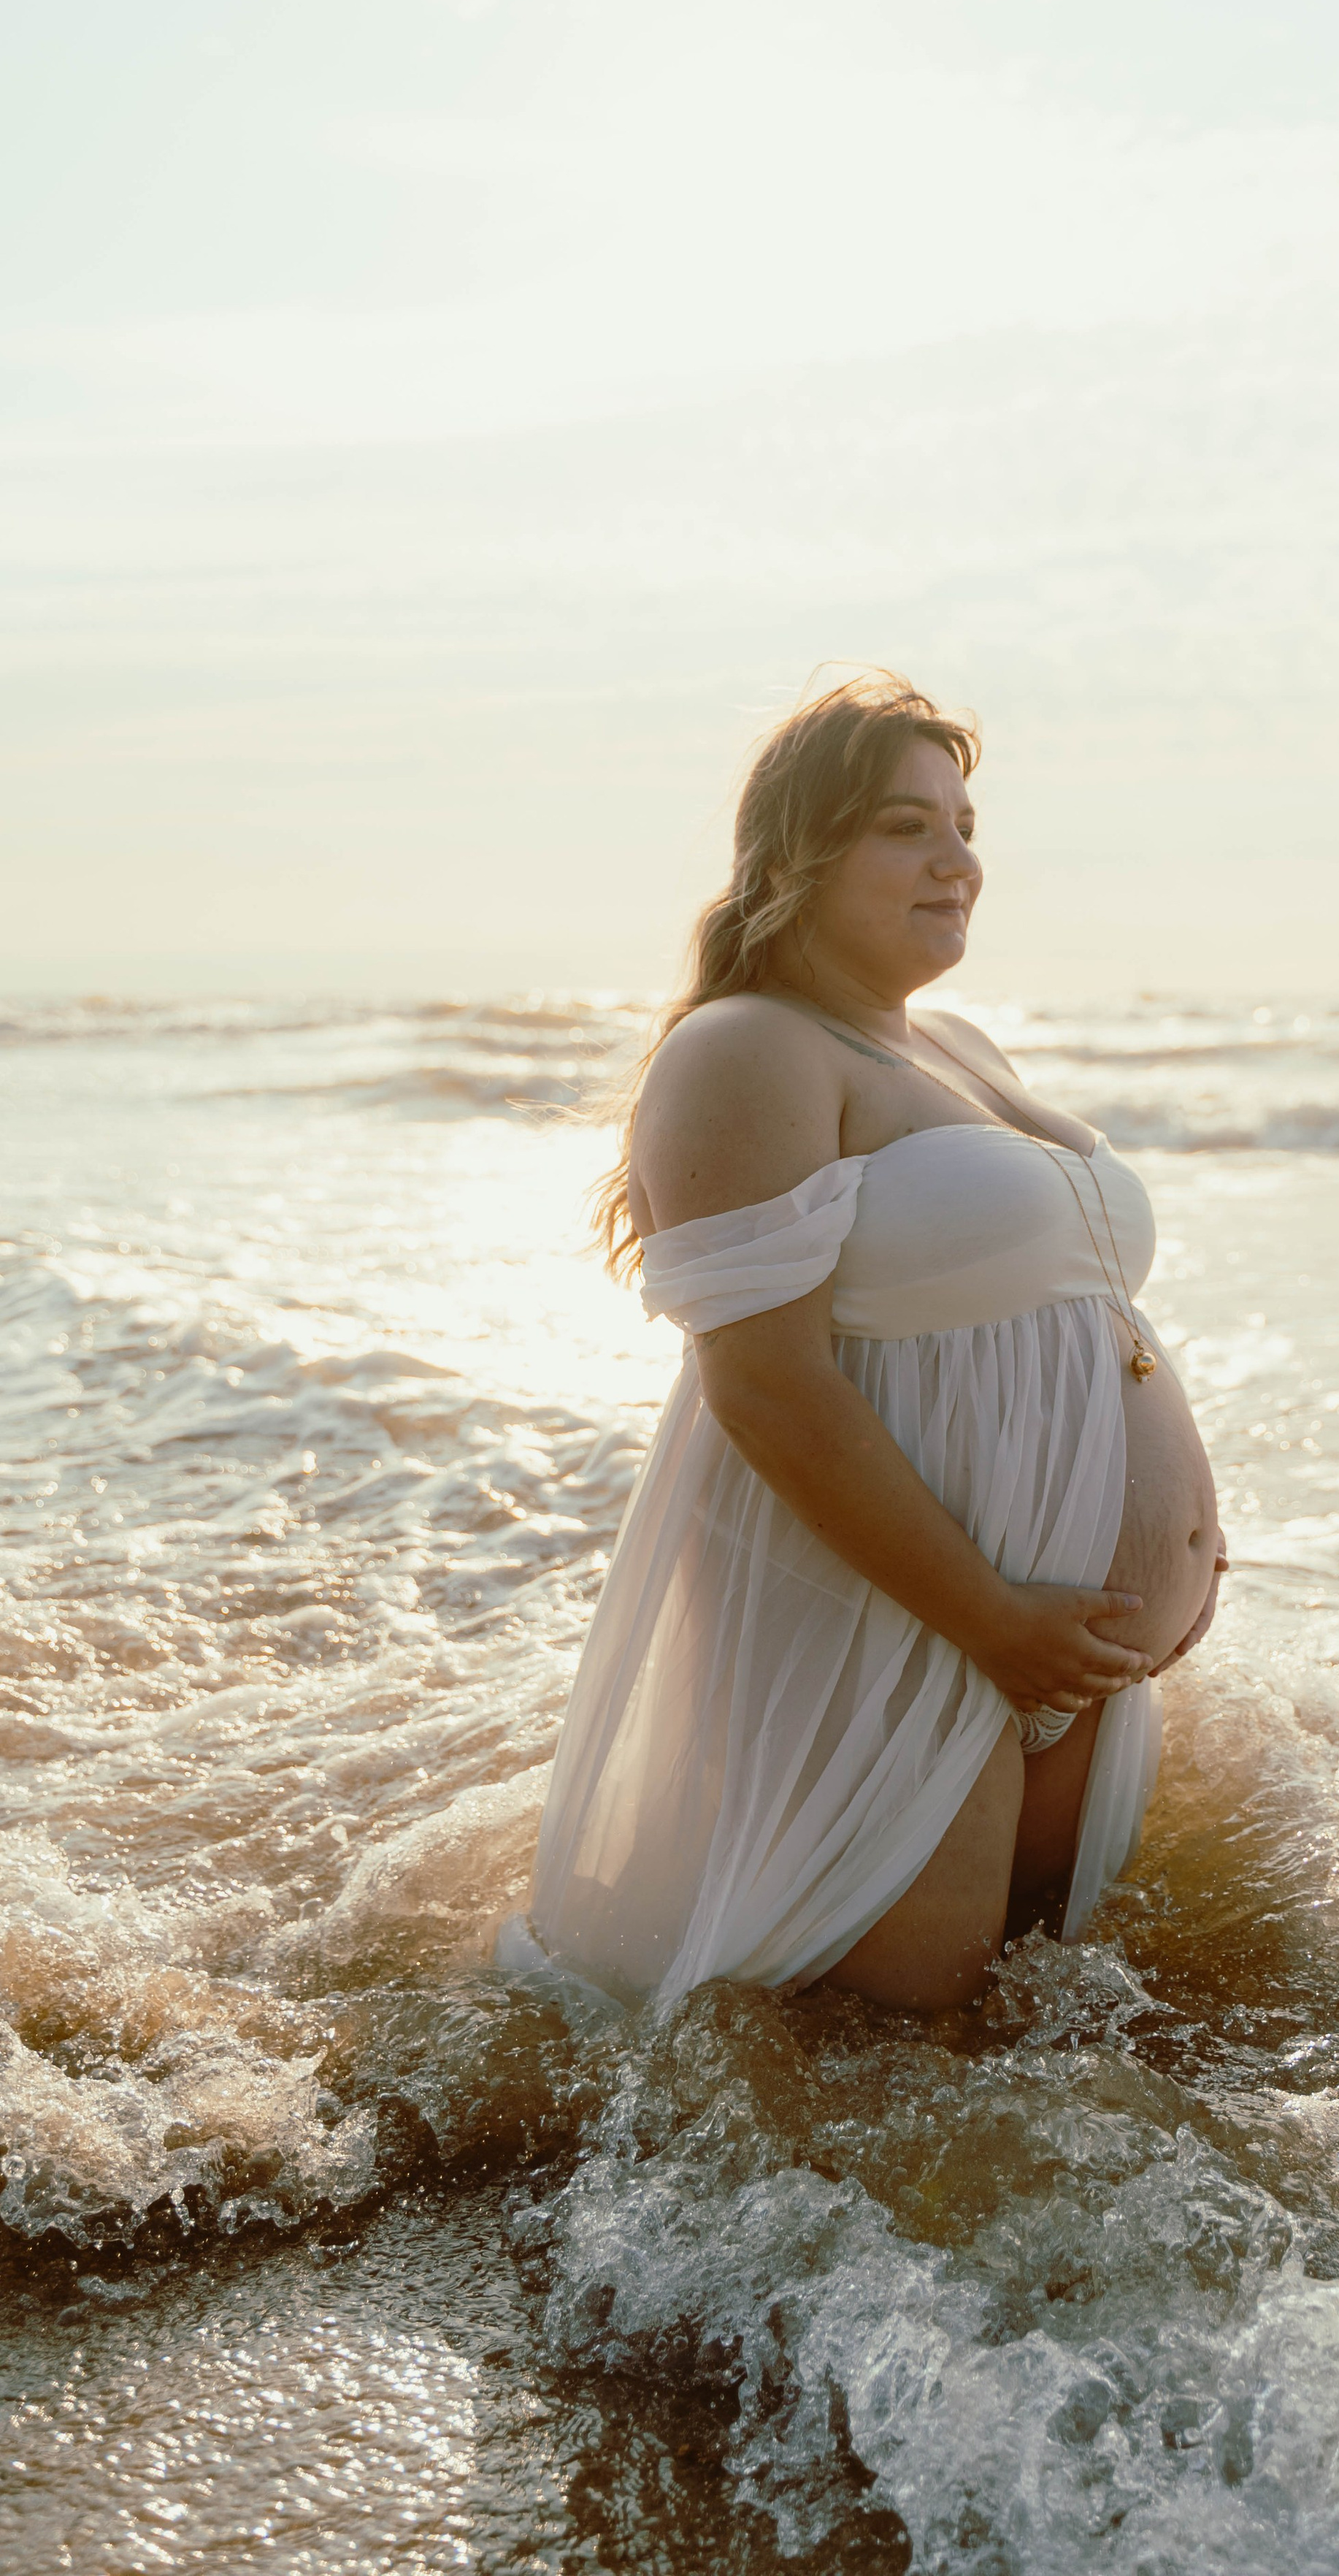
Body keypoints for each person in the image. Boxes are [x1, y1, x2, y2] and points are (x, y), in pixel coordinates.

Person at [508, 674, 1224, 2012]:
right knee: (885, 2079)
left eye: (964, 823)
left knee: (1034, 2047)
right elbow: (766, 1389)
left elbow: (1079, 1314)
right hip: (904, 1631)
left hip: (1048, 1640)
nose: (960, 861)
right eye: (909, 827)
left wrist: (1183, 1535)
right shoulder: (746, 1050)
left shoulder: (952, 1043)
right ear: (795, 855)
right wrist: (993, 1621)